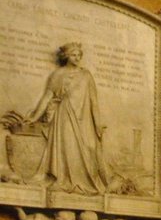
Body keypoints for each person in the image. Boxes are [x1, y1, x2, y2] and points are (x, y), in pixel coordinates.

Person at [23, 42, 108, 195]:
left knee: (89, 148)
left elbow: (94, 102)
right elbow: (47, 97)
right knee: (67, 147)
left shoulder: (86, 75)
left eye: (79, 55)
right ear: (66, 56)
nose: (77, 58)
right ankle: (63, 180)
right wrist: (35, 117)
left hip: (84, 119)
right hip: (65, 116)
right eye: (74, 55)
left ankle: (83, 182)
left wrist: (97, 124)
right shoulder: (58, 75)